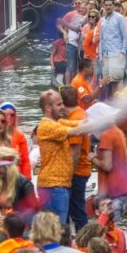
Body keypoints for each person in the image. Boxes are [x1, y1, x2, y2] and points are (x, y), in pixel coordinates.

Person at [35, 90, 86, 223]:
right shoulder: (47, 126)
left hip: (59, 186)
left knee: (59, 229)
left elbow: (80, 124)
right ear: (48, 108)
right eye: (59, 104)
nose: (63, 107)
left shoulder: (59, 122)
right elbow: (77, 131)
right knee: (56, 230)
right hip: (53, 186)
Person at [60, 86, 90, 233]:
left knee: (76, 212)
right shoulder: (81, 114)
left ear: (62, 103)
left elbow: (75, 152)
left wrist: (68, 177)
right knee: (77, 210)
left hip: (77, 172)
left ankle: (82, 241)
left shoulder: (76, 118)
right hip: (82, 169)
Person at [99, 0, 127, 94]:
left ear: (113, 5)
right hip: (106, 54)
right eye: (106, 5)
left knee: (118, 79)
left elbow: (125, 36)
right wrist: (100, 55)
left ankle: (120, 103)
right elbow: (101, 39)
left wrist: (123, 52)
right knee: (110, 80)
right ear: (103, 6)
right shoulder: (103, 20)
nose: (108, 7)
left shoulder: (119, 18)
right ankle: (114, 103)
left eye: (110, 5)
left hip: (116, 53)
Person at [0, 102, 31, 179]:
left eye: (12, 115)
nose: (9, 117)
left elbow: (25, 160)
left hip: (15, 177)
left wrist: (27, 179)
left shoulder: (20, 135)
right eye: (6, 115)